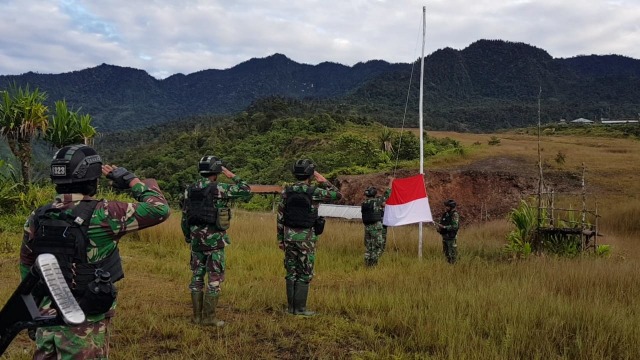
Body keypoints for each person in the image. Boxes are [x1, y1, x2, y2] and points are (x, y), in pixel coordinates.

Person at [19, 144, 170, 359]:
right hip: (84, 322)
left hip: (47, 316)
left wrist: (32, 312)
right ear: (91, 180)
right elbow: (160, 209)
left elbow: (27, 265)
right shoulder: (104, 213)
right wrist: (131, 180)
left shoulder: (39, 215)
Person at [181, 156, 251, 327]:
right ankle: (209, 318)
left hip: (196, 239)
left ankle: (197, 317)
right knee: (214, 278)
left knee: (197, 276)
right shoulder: (219, 188)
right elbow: (246, 190)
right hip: (215, 241)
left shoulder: (189, 189)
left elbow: (185, 217)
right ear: (216, 171)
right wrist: (231, 175)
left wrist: (188, 236)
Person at [277, 159, 342, 316]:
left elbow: (280, 216)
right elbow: (338, 195)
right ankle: (300, 309)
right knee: (305, 272)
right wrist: (324, 181)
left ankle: (291, 308)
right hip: (306, 237)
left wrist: (280, 238)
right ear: (311, 174)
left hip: (289, 236)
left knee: (291, 272)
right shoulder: (315, 192)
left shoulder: (287, 191)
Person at [360, 179, 392, 267]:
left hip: (367, 228)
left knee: (369, 247)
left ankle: (367, 265)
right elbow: (387, 194)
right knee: (378, 246)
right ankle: (373, 265)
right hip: (375, 227)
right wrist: (391, 182)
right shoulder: (375, 202)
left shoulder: (364, 203)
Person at [436, 199, 460, 264]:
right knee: (446, 254)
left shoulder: (454, 215)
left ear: (451, 207)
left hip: (451, 238)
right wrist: (439, 228)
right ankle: (448, 266)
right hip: (445, 237)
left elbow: (455, 226)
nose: (446, 208)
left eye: (447, 206)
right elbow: (442, 223)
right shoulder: (445, 214)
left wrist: (444, 227)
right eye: (446, 206)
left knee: (452, 254)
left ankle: (454, 268)